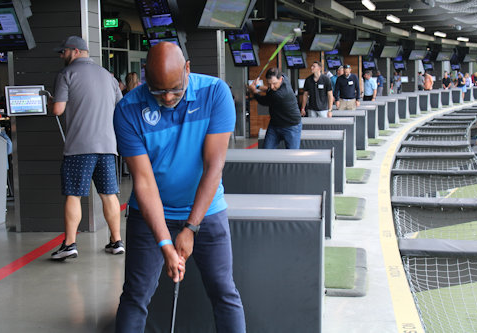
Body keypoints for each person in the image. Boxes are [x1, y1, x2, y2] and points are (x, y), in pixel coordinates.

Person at [113, 42, 245, 332]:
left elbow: (214, 167)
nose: (169, 97)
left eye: (176, 88)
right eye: (159, 91)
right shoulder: (127, 110)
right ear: (144, 75)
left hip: (206, 213)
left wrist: (191, 228)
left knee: (224, 292)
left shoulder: (215, 93)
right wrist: (164, 242)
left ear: (188, 68)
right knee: (135, 296)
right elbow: (144, 182)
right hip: (149, 215)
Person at [50, 36, 124, 260]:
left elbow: (58, 110)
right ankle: (116, 240)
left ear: (74, 51)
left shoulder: (66, 74)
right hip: (107, 146)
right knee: (109, 194)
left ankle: (70, 244)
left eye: (63, 52)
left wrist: (50, 102)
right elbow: (121, 107)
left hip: (79, 146)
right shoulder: (107, 76)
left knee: (74, 195)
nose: (62, 56)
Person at [248, 68, 302, 148]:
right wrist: (258, 86)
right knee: (266, 153)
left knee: (292, 157)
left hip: (291, 126)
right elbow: (270, 89)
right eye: (269, 84)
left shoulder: (281, 94)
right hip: (275, 125)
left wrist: (254, 90)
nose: (272, 87)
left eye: (274, 83)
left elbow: (263, 101)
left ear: (280, 79)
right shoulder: (284, 77)